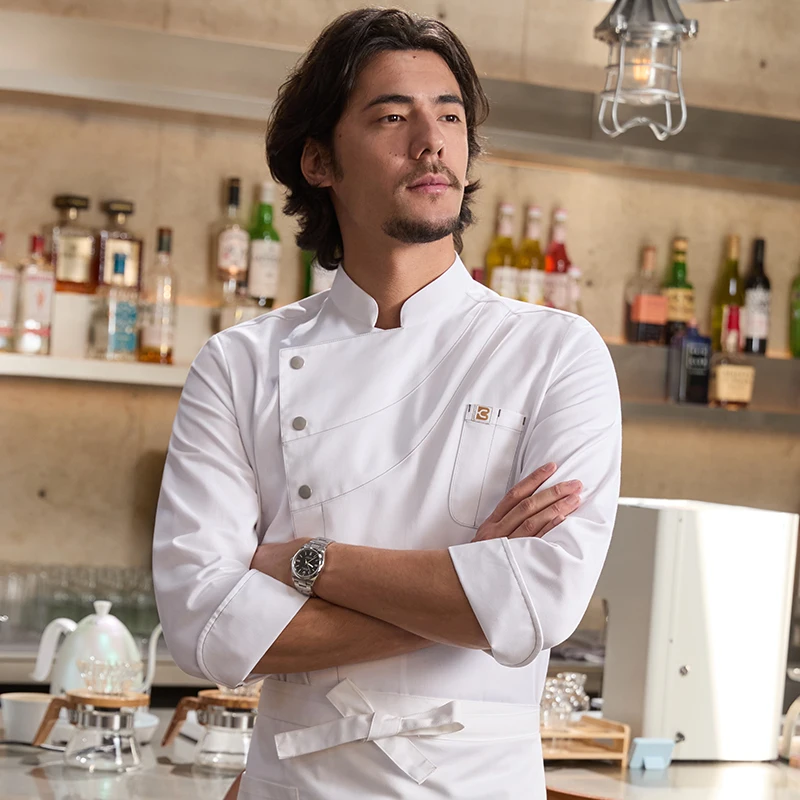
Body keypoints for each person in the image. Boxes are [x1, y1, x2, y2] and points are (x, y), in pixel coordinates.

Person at [152, 8, 621, 799]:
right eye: (393, 116)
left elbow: (541, 601)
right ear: (319, 160)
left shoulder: (554, 354)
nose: (432, 142)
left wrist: (306, 562)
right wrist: (472, 599)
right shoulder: (239, 364)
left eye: (450, 116)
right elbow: (204, 630)